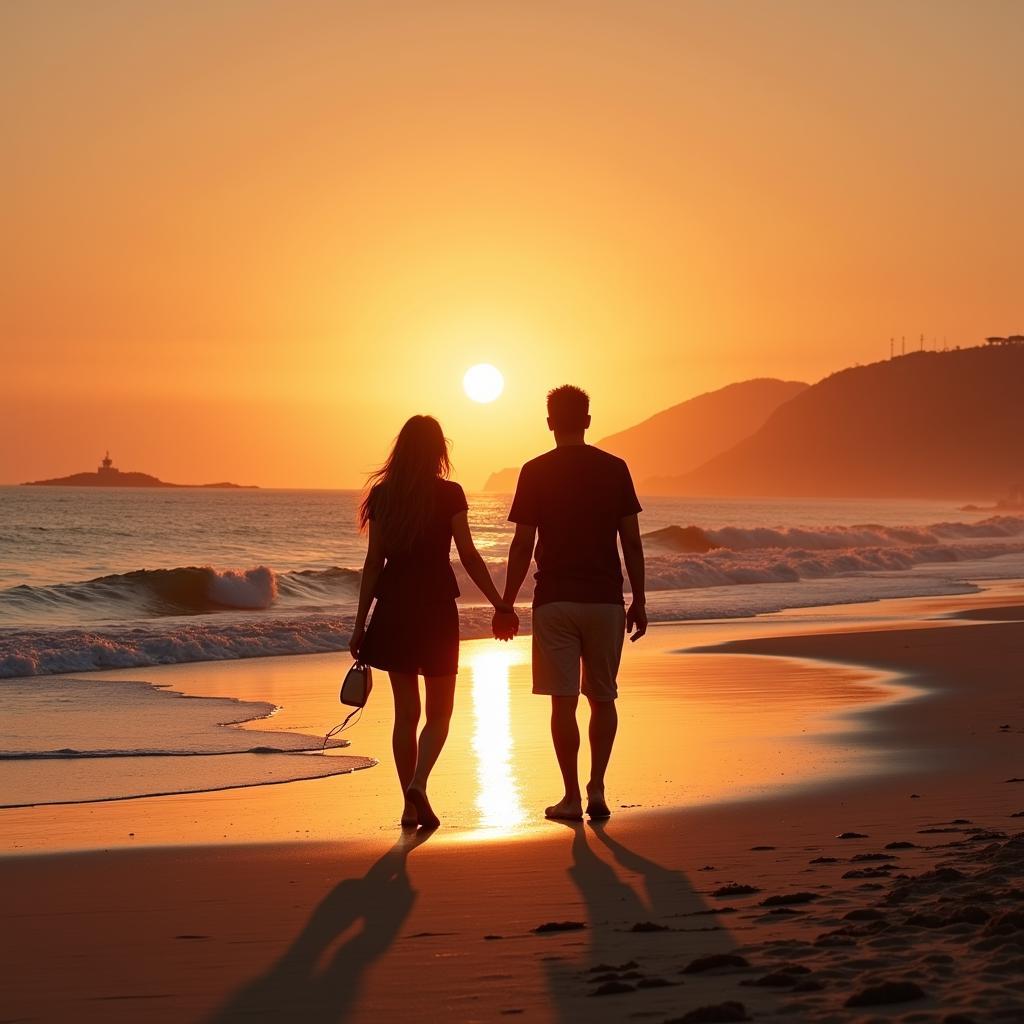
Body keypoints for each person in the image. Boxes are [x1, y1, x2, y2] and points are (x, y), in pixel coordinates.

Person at [351, 415, 518, 829]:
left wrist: (360, 624)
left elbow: (374, 563)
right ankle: (419, 785)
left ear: (401, 449)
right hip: (436, 609)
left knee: (405, 714)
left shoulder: (383, 495)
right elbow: (468, 553)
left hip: (393, 610)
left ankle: (409, 804)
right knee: (439, 714)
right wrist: (500, 602)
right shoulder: (450, 494)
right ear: (439, 450)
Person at [497, 386, 646, 821]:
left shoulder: (535, 470)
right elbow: (631, 543)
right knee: (603, 697)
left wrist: (506, 602)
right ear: (587, 420)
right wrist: (639, 597)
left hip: (555, 601)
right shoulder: (615, 468)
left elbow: (523, 543)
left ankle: (570, 797)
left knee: (562, 702)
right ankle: (597, 787)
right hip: (604, 600)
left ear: (549, 422)